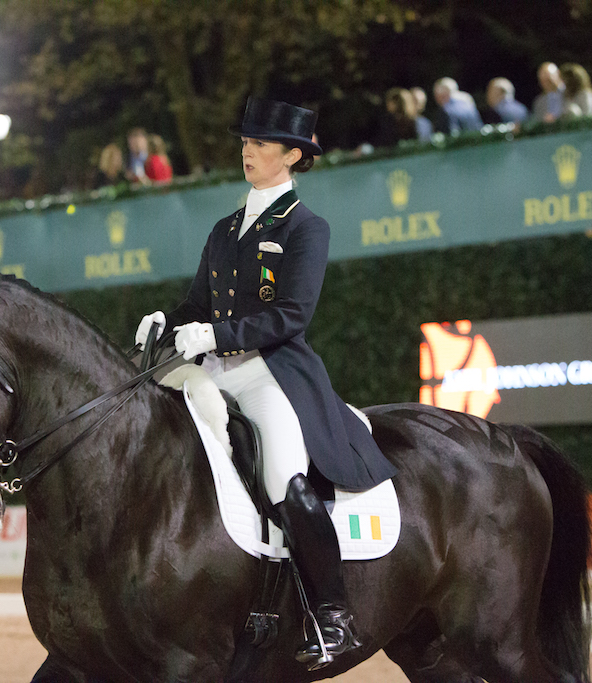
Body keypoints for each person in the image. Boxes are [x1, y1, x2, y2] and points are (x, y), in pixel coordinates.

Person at [135, 97, 397, 669]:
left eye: (261, 143)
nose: (247, 151)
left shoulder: (307, 227)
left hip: (267, 372)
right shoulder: (225, 229)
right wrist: (167, 322)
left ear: (293, 155)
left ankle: (334, 616)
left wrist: (215, 336)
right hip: (209, 373)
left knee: (283, 476)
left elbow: (292, 317)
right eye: (246, 142)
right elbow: (194, 305)